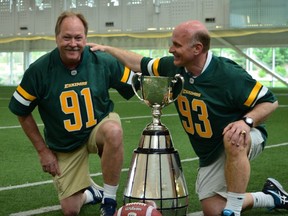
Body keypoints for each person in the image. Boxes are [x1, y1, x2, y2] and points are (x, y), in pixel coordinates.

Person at [88, 20, 288, 216]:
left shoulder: (228, 74)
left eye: (177, 45)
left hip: (243, 137)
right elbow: (140, 63)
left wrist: (246, 122)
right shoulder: (174, 67)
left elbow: (269, 101)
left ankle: (234, 210)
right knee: (213, 209)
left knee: (233, 137)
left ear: (197, 49)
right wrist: (107, 49)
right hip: (210, 150)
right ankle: (271, 196)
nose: (170, 49)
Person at [9, 11, 136, 216]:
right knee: (70, 210)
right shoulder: (39, 70)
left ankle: (109, 200)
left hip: (98, 127)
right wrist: (43, 151)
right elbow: (21, 112)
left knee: (113, 130)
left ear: (86, 38)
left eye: (78, 38)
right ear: (56, 37)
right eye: (67, 37)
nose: (73, 43)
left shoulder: (102, 61)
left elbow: (136, 86)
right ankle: (92, 193)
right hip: (64, 142)